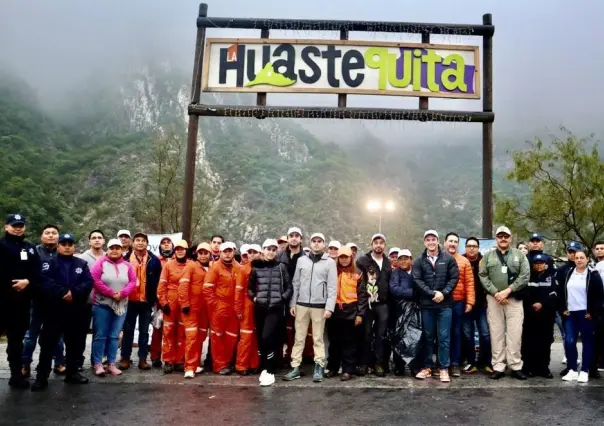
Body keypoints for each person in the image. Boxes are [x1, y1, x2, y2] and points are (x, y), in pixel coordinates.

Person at [31, 233, 93, 391]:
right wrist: (62, 292)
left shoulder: (82, 264)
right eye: (64, 244)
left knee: (75, 344)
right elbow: (44, 282)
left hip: (75, 310)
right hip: (54, 311)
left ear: (74, 247)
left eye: (70, 244)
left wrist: (74, 293)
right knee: (47, 345)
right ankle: (41, 377)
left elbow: (88, 283)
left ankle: (72, 374)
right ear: (58, 246)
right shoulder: (48, 263)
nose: (67, 247)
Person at [284, 232, 336, 382]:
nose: (316, 243)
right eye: (314, 241)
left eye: (320, 241)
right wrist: (293, 303)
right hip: (301, 304)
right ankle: (295, 367)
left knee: (318, 338)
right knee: (298, 337)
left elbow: (332, 287)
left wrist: (329, 307)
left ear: (324, 244)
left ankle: (319, 366)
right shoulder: (302, 260)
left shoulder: (329, 262)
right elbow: (296, 283)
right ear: (310, 243)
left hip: (320, 306)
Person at [479, 226, 530, 380]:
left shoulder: (520, 255)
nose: (503, 239)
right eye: (500, 236)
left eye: (505, 236)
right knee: (496, 333)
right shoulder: (488, 257)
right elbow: (483, 275)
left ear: (510, 238)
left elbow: (525, 275)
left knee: (515, 334)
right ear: (496, 238)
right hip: (494, 300)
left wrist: (507, 291)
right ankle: (498, 366)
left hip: (513, 299)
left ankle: (515, 365)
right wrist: (495, 293)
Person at [0, 213, 41, 389]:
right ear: (6, 227)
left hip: (22, 302)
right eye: (14, 225)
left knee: (16, 340)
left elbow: (37, 271)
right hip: (1, 300)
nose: (18, 228)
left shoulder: (30, 248)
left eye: (21, 225)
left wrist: (28, 281)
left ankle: (16, 375)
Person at [413, 230, 459, 382]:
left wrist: (443, 293)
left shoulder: (448, 259)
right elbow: (417, 280)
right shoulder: (419, 260)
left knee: (444, 337)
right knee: (428, 337)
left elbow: (454, 278)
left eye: (433, 239)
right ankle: (427, 367)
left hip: (445, 305)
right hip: (427, 305)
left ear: (438, 241)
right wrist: (432, 293)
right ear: (424, 242)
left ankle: (443, 368)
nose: (431, 242)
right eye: (428, 240)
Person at [22, 224, 65, 378]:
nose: (51, 235)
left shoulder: (63, 253)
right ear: (42, 236)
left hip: (56, 302)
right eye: (47, 233)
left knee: (57, 335)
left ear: (58, 236)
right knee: (30, 335)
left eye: (54, 233)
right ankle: (25, 363)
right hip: (36, 301)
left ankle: (59, 362)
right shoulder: (34, 252)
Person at [248, 239, 292, 386]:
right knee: (261, 338)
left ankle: (270, 370)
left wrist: (281, 298)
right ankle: (264, 367)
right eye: (268, 249)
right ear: (263, 250)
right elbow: (250, 287)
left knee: (268, 337)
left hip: (275, 308)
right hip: (259, 307)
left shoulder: (281, 267)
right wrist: (254, 298)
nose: (271, 252)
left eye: (274, 249)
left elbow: (289, 287)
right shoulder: (256, 267)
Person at [90, 239, 136, 377]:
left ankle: (111, 363)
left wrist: (122, 294)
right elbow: (95, 280)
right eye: (112, 248)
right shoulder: (100, 263)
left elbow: (133, 281)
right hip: (102, 304)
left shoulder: (127, 266)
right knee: (100, 335)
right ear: (107, 249)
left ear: (121, 250)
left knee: (114, 336)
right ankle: (98, 363)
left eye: (117, 248)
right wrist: (111, 293)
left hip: (121, 305)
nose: (114, 250)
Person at [558, 248, 604, 383]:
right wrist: (563, 309)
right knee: (569, 341)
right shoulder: (568, 274)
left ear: (587, 260)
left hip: (585, 314)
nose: (578, 260)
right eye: (576, 258)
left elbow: (599, 296)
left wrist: (592, 312)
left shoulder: (593, 275)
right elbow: (561, 292)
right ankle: (572, 369)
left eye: (581, 258)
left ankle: (584, 370)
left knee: (587, 342)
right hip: (570, 313)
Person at [119, 232, 162, 371]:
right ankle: (125, 357)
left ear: (147, 243)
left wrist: (155, 299)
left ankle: (143, 359)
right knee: (128, 329)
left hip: (146, 301)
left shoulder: (154, 260)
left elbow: (158, 281)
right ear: (133, 242)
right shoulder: (124, 259)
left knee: (144, 331)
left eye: (143, 240)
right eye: (137, 240)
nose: (140, 243)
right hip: (129, 300)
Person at [326, 246, 368, 381]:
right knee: (334, 342)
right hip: (334, 311)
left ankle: (348, 370)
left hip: (351, 311)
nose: (344, 260)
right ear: (338, 258)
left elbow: (362, 296)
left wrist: (360, 314)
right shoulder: (333, 272)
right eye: (341, 257)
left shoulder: (358, 273)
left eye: (346, 257)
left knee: (349, 342)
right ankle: (332, 367)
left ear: (351, 257)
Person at [356, 233, 392, 377]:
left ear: (384, 245)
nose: (378, 245)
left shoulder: (388, 262)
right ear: (371, 245)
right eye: (376, 242)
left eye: (381, 243)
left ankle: (378, 364)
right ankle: (364, 363)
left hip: (383, 304)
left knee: (381, 335)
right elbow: (358, 282)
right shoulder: (363, 261)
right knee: (366, 334)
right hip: (367, 304)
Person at [203, 241, 240, 374]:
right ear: (220, 253)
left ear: (234, 252)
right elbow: (207, 289)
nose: (227, 254)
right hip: (219, 306)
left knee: (231, 337)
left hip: (234, 307)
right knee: (217, 337)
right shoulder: (215, 268)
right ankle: (219, 366)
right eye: (225, 251)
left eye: (230, 251)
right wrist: (215, 305)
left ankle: (227, 362)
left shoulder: (238, 267)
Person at [276, 227, 309, 366]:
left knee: (298, 331)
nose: (294, 238)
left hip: (299, 298)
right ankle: (277, 358)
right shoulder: (278, 256)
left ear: (301, 239)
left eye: (297, 235)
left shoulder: (306, 259)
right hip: (281, 298)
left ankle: (295, 358)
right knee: (278, 328)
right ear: (288, 238)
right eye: (291, 235)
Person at [521, 253, 557, 379]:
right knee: (529, 342)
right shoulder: (528, 278)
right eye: (536, 264)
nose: (539, 266)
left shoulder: (551, 278)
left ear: (546, 265)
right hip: (530, 316)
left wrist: (542, 303)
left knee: (545, 342)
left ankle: (544, 368)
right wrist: (533, 304)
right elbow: (525, 294)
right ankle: (529, 368)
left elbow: (553, 296)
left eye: (541, 263)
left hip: (546, 317)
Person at [444, 232, 475, 377]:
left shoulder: (464, 261)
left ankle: (455, 364)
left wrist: (469, 302)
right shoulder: (438, 259)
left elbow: (469, 283)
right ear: (445, 242)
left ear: (458, 244)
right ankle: (443, 363)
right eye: (450, 241)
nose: (452, 244)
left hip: (458, 302)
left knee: (456, 333)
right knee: (442, 334)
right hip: (442, 302)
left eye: (455, 241)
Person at [158, 239, 191, 374]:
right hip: (171, 301)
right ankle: (168, 361)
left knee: (183, 333)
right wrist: (164, 303)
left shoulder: (191, 265)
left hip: (185, 303)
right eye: (177, 249)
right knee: (168, 332)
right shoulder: (168, 265)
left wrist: (188, 303)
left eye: (182, 248)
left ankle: (179, 360)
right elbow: (162, 285)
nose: (180, 251)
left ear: (186, 250)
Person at [179, 242, 212, 378]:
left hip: (205, 309)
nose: (203, 255)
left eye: (206, 253)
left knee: (201, 337)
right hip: (191, 308)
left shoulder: (211, 267)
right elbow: (183, 285)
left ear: (210, 254)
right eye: (201, 253)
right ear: (196, 254)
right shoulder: (191, 266)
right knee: (192, 337)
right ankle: (189, 367)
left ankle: (196, 363)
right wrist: (185, 303)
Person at [389, 249, 423, 376]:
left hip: (416, 310)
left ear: (411, 259)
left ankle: (415, 366)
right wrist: (412, 293)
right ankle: (399, 365)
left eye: (406, 258)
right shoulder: (395, 273)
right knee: (400, 337)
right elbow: (394, 289)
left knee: (415, 337)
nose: (403, 261)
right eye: (401, 259)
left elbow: (422, 286)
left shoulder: (417, 272)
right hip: (400, 310)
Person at [462, 237, 492, 374]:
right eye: (469, 246)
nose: (472, 248)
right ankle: (471, 362)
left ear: (478, 248)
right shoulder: (461, 260)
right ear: (465, 247)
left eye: (474, 246)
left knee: (485, 334)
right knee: (467, 335)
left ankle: (485, 362)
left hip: (482, 305)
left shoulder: (485, 261)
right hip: (466, 305)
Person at [76, 229, 106, 368]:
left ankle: (97, 360)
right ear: (89, 241)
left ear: (104, 240)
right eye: (94, 237)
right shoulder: (82, 258)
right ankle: (78, 361)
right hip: (86, 301)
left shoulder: (108, 257)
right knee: (80, 333)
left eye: (99, 237)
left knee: (99, 333)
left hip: (104, 302)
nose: (97, 240)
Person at [234, 244, 260, 375]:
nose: (251, 254)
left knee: (256, 337)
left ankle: (254, 364)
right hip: (246, 307)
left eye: (254, 252)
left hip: (259, 306)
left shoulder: (263, 268)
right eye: (249, 252)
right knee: (246, 337)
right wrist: (238, 310)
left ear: (260, 253)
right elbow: (238, 291)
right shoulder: (243, 270)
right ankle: (241, 365)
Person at [151, 236, 174, 368]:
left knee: (171, 331)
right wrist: (157, 299)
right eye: (163, 243)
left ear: (172, 245)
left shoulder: (179, 260)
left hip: (175, 301)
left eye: (168, 243)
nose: (166, 245)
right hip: (159, 300)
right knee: (157, 328)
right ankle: (155, 357)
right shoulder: (155, 260)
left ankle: (169, 357)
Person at [557, 241, 580, 373]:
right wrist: (561, 309)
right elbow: (558, 291)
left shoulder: (587, 269)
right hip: (567, 310)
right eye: (570, 252)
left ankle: (590, 367)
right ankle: (571, 365)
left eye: (575, 252)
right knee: (569, 338)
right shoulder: (561, 270)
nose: (573, 255)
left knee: (588, 339)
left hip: (584, 310)